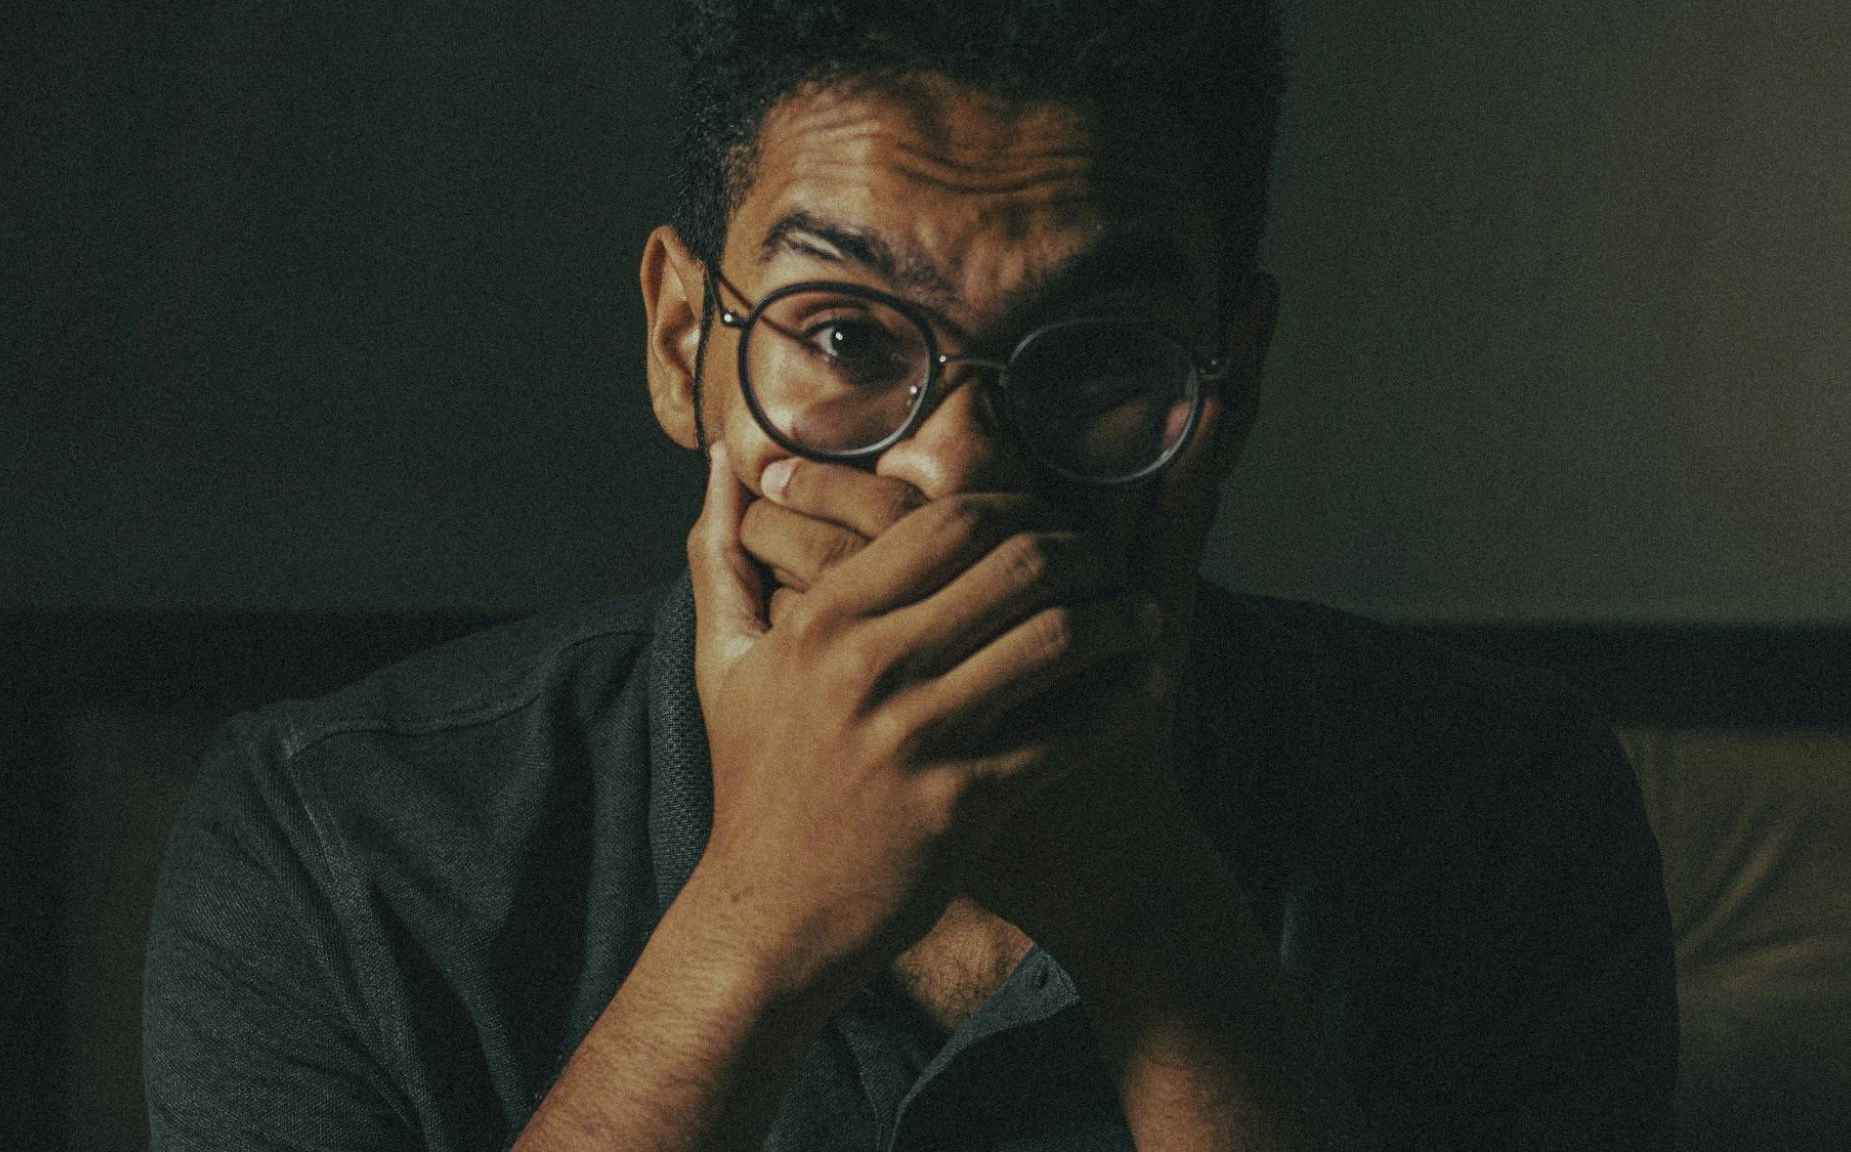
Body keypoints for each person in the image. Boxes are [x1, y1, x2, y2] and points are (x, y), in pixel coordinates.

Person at [143, 0, 1678, 1148]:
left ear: (1233, 386)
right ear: (686, 344)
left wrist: (1148, 916)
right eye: (843, 339)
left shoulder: (1503, 807)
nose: (961, 473)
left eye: (1096, 360)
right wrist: (759, 922)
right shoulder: (338, 841)